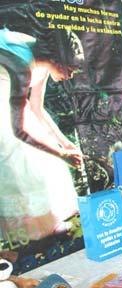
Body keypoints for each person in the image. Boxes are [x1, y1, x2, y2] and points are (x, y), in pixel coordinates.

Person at [0, 27, 84, 240]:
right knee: (20, 160)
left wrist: (63, 144)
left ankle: (48, 224)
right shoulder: (21, 65)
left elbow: (37, 108)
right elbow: (18, 130)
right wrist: (60, 154)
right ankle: (23, 235)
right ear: (57, 60)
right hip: (4, 105)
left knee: (48, 158)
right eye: (70, 69)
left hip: (15, 103)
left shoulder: (43, 62)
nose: (70, 75)